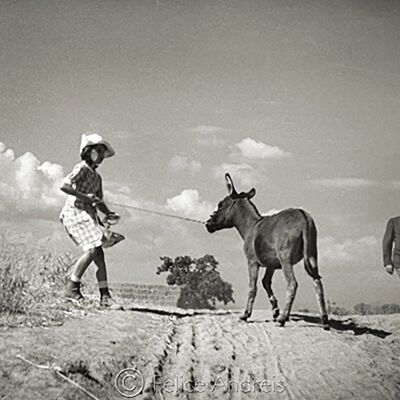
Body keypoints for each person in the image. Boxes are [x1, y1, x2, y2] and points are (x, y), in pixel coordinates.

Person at [60, 133, 123, 307]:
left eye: (103, 152)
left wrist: (108, 213)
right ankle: (72, 287)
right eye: (98, 150)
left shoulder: (97, 178)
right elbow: (64, 186)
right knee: (94, 248)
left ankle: (105, 296)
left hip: (88, 215)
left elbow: (98, 201)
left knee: (99, 254)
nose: (102, 155)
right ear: (88, 151)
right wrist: (85, 197)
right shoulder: (81, 168)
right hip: (75, 213)